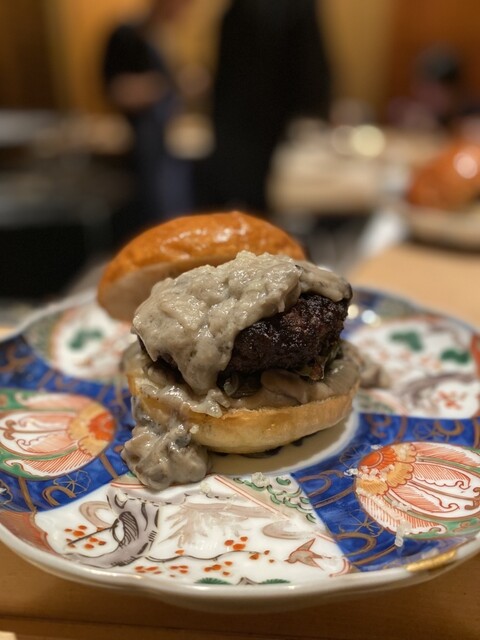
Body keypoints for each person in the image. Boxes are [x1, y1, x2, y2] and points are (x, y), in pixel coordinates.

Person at [194, 0, 332, 215]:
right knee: (248, 193)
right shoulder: (278, 8)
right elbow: (310, 62)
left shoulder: (248, 9)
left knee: (241, 192)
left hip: (245, 117)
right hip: (257, 118)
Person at [103, 0, 193, 240]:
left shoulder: (161, 38)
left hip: (166, 140)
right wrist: (164, 86)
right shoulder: (126, 35)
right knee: (156, 218)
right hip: (143, 144)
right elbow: (117, 90)